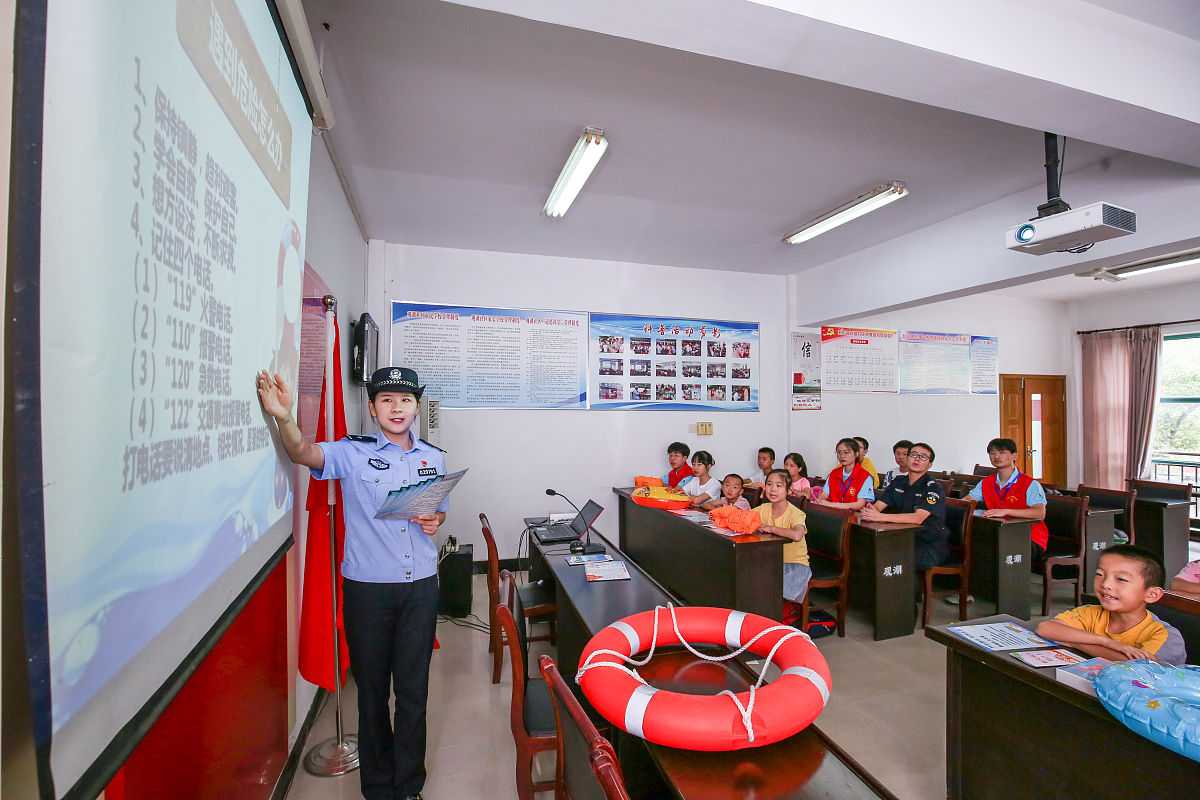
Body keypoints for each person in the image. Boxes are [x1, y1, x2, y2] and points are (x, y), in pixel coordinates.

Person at [257, 366, 446, 800]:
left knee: (414, 693)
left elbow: (439, 509)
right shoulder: (352, 452)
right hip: (368, 591)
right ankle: (379, 789)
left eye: (405, 400)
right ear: (373, 408)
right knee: (373, 693)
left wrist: (437, 519)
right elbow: (303, 452)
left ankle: (409, 785)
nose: (396, 408)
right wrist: (284, 418)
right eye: (386, 400)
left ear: (417, 407)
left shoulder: (433, 457)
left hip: (420, 586)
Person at [1036, 545, 1186, 664]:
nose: (1106, 584)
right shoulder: (1090, 612)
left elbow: (1138, 665)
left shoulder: (1166, 635)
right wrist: (1107, 642)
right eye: (1100, 575)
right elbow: (1045, 628)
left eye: (1121, 579)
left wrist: (1078, 643)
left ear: (1152, 594)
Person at [862, 442, 950, 571]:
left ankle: (905, 591)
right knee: (866, 550)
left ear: (929, 465)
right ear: (907, 458)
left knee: (890, 558)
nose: (917, 458)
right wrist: (871, 511)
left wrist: (879, 517)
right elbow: (878, 506)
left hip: (928, 545)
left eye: (923, 457)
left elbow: (917, 518)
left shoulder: (933, 488)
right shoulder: (898, 481)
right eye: (914, 454)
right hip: (901, 538)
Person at [967, 438, 1049, 561]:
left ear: (1014, 455)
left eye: (1001, 452)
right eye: (992, 453)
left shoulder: (1030, 483)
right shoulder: (987, 482)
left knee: (989, 548)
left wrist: (1006, 511)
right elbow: (967, 501)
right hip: (1000, 531)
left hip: (1029, 536)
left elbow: (1040, 513)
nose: (996, 456)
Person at [755, 469, 810, 604]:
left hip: (794, 565)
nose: (773, 489)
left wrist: (772, 528)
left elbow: (797, 535)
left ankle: (771, 619)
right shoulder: (763, 508)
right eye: (769, 484)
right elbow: (745, 518)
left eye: (779, 486)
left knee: (763, 585)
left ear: (789, 490)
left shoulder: (795, 513)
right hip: (772, 561)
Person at [817, 438, 874, 511]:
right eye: (839, 452)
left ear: (856, 454)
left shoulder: (865, 476)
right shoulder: (834, 473)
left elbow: (860, 504)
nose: (842, 456)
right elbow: (824, 494)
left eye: (846, 452)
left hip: (854, 517)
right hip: (833, 514)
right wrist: (819, 500)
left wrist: (832, 505)